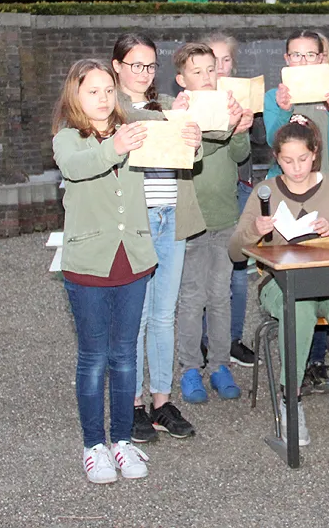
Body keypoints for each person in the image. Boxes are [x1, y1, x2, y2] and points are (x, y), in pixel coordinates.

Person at [51, 58, 200, 484]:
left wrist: (191, 138)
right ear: (75, 96)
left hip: (133, 257)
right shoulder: (68, 138)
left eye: (106, 91)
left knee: (124, 356)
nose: (102, 98)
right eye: (91, 91)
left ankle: (122, 441)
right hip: (88, 263)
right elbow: (77, 168)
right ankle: (93, 445)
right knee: (94, 357)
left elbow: (178, 149)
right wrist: (115, 146)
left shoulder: (134, 128)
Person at [228, 115, 329, 444]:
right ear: (276, 158)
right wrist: (255, 231)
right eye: (288, 160)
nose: (296, 168)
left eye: (303, 159)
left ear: (315, 152)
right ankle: (290, 398)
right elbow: (235, 252)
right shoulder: (265, 191)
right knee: (300, 308)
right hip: (281, 283)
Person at [111, 33, 204, 444]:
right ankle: (131, 405)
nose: (144, 73)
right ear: (117, 66)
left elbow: (190, 159)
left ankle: (161, 401)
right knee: (139, 316)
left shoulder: (166, 106)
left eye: (150, 66)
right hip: (137, 220)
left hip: (171, 216)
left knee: (165, 314)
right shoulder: (110, 108)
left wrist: (193, 139)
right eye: (136, 65)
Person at [262, 29, 329, 394]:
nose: (303, 61)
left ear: (322, 58)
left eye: (310, 55)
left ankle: (321, 359)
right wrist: (283, 111)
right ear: (286, 61)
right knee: (298, 269)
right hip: (290, 197)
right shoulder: (276, 96)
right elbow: (272, 142)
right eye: (296, 56)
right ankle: (301, 364)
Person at [172, 42, 253, 403]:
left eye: (211, 69)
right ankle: (190, 368)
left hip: (224, 215)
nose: (206, 76)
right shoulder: (178, 111)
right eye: (197, 71)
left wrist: (239, 126)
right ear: (181, 79)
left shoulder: (229, 105)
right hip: (191, 219)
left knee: (220, 296)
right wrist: (182, 120)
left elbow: (241, 154)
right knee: (191, 297)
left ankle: (220, 365)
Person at [205, 32, 260, 367]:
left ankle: (233, 338)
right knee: (201, 270)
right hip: (208, 191)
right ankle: (201, 340)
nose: (220, 68)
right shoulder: (194, 100)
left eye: (226, 60)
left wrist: (249, 122)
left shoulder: (245, 96)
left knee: (238, 271)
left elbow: (260, 144)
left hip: (240, 186)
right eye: (213, 62)